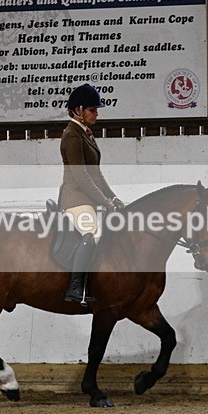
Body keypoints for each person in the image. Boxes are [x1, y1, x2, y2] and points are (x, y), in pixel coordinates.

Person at [58, 83, 124, 305]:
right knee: (92, 231)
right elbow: (81, 177)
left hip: (87, 197)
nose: (96, 114)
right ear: (78, 110)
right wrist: (104, 202)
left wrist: (113, 197)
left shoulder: (86, 134)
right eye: (92, 110)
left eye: (96, 110)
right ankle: (75, 288)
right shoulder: (71, 136)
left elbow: (97, 174)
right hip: (75, 198)